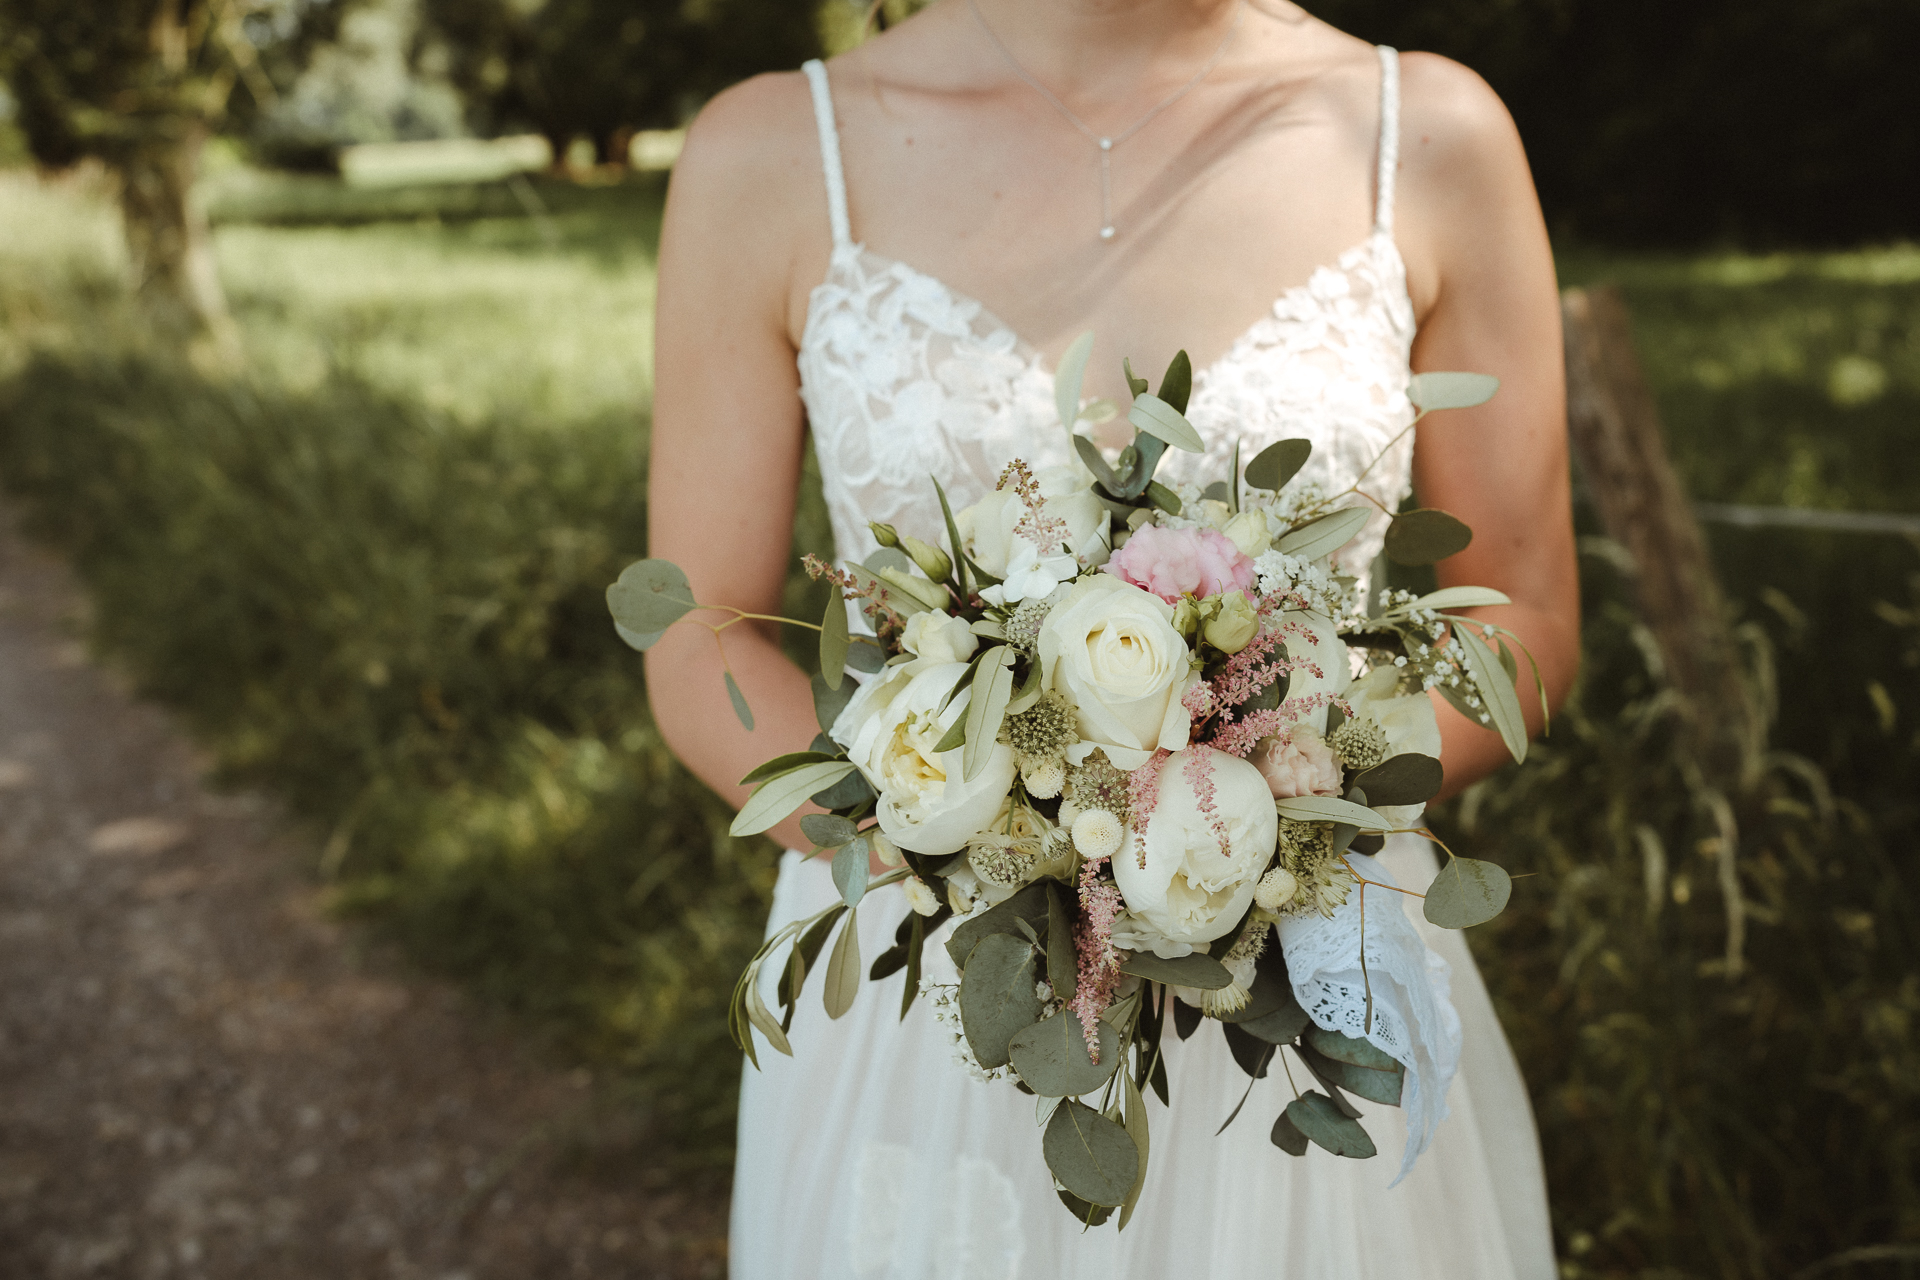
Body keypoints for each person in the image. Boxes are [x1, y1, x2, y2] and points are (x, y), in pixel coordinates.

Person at [646, 0, 1579, 1274]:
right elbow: (700, 633)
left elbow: (1525, 615)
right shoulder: (770, 155)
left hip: (1312, 985)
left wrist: (1271, 806)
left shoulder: (1425, 136)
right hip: (941, 997)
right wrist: (977, 837)